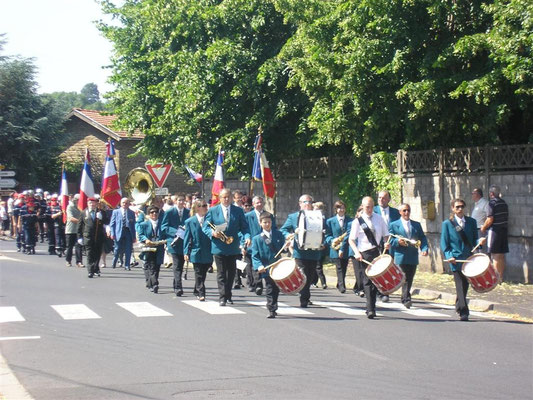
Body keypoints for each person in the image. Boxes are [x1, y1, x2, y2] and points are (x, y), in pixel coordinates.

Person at [203, 188, 250, 306]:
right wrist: (213, 233)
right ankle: (222, 297)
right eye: (224, 197)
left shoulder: (238, 211)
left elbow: (244, 227)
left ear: (232, 198)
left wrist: (247, 237)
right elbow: (205, 227)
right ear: (220, 198)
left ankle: (228, 294)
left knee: (232, 272)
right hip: (218, 246)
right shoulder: (213, 210)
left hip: (233, 246)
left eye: (228, 197)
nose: (226, 199)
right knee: (221, 272)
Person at [441, 198, 485, 321]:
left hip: (468, 258)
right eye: (457, 207)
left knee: (465, 285)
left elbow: (475, 240)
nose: (460, 209)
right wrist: (449, 256)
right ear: (452, 209)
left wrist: (480, 242)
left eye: (462, 207)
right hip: (455, 259)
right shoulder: (447, 224)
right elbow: (444, 243)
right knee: (459, 284)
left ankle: (458, 304)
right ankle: (464, 311)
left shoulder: (471, 222)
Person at [348, 196, 390, 319]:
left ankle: (373, 306)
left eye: (371, 207)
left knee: (375, 280)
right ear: (362, 206)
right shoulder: (358, 221)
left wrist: (386, 243)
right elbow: (351, 239)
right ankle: (370, 309)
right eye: (367, 207)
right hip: (364, 253)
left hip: (377, 252)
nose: (370, 209)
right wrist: (356, 252)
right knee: (367, 281)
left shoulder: (379, 219)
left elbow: (386, 235)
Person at [280, 194, 324, 308]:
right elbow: (283, 230)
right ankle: (304, 299)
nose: (308, 204)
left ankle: (305, 295)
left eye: (310, 202)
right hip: (299, 252)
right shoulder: (293, 217)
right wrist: (289, 235)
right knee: (303, 275)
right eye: (305, 202)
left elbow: (325, 232)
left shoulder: (319, 217)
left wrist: (324, 242)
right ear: (300, 204)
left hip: (314, 252)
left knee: (310, 277)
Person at [389, 203, 429, 308]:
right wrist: (398, 242)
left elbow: (422, 238)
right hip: (400, 255)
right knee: (404, 277)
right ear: (400, 212)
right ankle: (406, 298)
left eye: (408, 210)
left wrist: (424, 248)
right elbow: (390, 240)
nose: (406, 213)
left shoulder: (416, 224)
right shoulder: (394, 224)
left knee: (410, 277)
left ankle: (405, 296)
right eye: (404, 211)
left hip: (412, 255)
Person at [252, 212, 286, 318]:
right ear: (260, 223)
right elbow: (255, 255)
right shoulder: (257, 239)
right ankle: (271, 308)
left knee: (276, 287)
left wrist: (286, 246)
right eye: (265, 222)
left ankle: (274, 305)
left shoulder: (278, 234)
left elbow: (283, 249)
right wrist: (259, 266)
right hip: (266, 267)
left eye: (269, 222)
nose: (267, 224)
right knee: (270, 287)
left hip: (277, 265)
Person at [244, 195, 276, 294]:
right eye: (257, 203)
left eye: (261, 202)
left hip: (265, 244)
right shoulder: (248, 216)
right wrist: (246, 239)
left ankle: (265, 284)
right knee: (253, 265)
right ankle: (257, 284)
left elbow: (273, 229)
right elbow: (244, 230)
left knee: (265, 264)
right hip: (252, 244)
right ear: (253, 204)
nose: (259, 204)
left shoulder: (269, 215)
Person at [161, 193, 190, 296]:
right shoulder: (169, 212)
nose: (181, 202)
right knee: (177, 264)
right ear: (175, 201)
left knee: (181, 265)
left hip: (184, 242)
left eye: (183, 200)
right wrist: (176, 232)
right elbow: (164, 227)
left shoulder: (188, 212)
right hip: (173, 242)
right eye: (179, 200)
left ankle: (176, 282)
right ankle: (178, 287)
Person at [183, 199, 212, 301]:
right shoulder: (190, 221)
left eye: (206, 206)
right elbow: (187, 237)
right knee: (198, 272)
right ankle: (201, 292)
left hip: (208, 251)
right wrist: (186, 252)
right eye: (203, 206)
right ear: (197, 208)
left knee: (203, 273)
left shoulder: (209, 220)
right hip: (196, 250)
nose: (205, 208)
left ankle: (196, 288)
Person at [481, 185, 509, 280]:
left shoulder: (491, 203)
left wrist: (483, 228)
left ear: (491, 194)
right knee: (501, 255)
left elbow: (490, 219)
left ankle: (495, 279)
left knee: (495, 255)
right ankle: (501, 277)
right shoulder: (504, 203)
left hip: (495, 231)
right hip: (504, 230)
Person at [326, 200, 352, 293]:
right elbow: (327, 235)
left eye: (343, 208)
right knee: (339, 266)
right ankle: (342, 285)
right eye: (339, 208)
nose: (341, 210)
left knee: (344, 266)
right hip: (335, 247)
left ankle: (339, 282)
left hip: (346, 247)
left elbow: (349, 233)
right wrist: (332, 240)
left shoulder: (350, 221)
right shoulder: (330, 221)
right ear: (336, 209)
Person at [137, 205, 164, 293]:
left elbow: (165, 233)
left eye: (156, 212)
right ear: (149, 214)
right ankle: (155, 283)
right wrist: (146, 239)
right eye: (152, 212)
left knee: (157, 265)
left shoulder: (162, 223)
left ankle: (151, 282)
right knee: (151, 265)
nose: (154, 214)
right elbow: (141, 235)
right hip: (149, 247)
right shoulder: (144, 224)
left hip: (159, 246)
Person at [78, 198, 106, 278]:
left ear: (96, 204)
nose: (92, 205)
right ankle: (90, 271)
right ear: (87, 203)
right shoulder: (84, 213)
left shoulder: (101, 212)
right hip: (88, 237)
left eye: (94, 203)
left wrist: (102, 218)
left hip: (98, 237)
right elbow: (80, 226)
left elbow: (107, 221)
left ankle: (95, 268)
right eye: (90, 203)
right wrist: (79, 237)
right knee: (89, 254)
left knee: (97, 254)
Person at [110, 197, 137, 270]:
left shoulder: (131, 212)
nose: (125, 204)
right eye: (123, 203)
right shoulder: (116, 212)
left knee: (128, 249)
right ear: (120, 203)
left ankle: (127, 265)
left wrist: (134, 237)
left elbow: (133, 225)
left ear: (129, 204)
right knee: (117, 248)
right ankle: (114, 261)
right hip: (118, 232)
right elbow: (112, 224)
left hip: (128, 232)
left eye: (126, 203)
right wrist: (112, 233)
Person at [65, 194, 83, 267]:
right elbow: (70, 218)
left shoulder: (81, 208)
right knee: (70, 246)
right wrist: (81, 222)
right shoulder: (70, 207)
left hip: (78, 230)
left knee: (79, 246)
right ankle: (68, 261)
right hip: (70, 230)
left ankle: (79, 262)